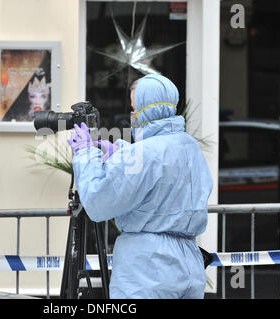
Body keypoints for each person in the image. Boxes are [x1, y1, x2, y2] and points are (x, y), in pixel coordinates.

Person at [67, 74, 213, 299]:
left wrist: (86, 153)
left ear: (145, 110)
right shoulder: (189, 146)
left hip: (148, 268)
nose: (133, 115)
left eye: (135, 108)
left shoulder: (142, 154)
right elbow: (160, 174)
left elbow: (97, 202)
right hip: (189, 264)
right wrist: (121, 154)